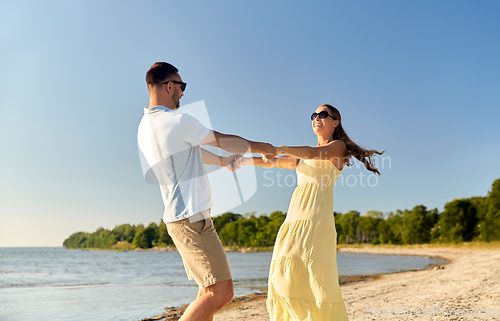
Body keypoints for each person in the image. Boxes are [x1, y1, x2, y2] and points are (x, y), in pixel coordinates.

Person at [137, 62, 277, 321]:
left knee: (207, 290)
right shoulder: (178, 120)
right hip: (192, 217)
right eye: (181, 86)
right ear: (169, 86)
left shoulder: (147, 126)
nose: (182, 93)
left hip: (178, 218)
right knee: (221, 292)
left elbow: (191, 151)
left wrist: (224, 162)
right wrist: (262, 146)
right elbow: (222, 139)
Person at [237, 104, 384, 321]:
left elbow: (312, 152)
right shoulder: (301, 157)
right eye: (314, 115)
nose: (317, 118)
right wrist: (243, 161)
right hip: (294, 219)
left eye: (323, 115)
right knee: (281, 276)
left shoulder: (338, 147)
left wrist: (281, 147)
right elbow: (275, 163)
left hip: (315, 219)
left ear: (335, 122)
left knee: (312, 278)